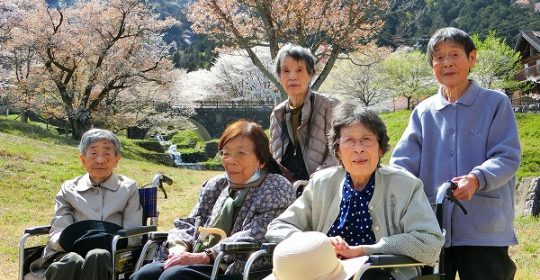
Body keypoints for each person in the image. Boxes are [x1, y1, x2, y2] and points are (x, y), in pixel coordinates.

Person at [390, 27, 521, 280]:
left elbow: (507, 156)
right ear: (432, 66)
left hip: (483, 227)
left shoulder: (495, 103)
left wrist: (477, 178)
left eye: (454, 54)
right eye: (438, 57)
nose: (446, 62)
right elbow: (403, 164)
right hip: (431, 227)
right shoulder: (423, 112)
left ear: (472, 58)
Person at [266, 102, 444, 280]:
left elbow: (430, 243)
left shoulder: (405, 185)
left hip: (380, 274)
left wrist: (365, 250)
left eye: (367, 139)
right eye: (349, 141)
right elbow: (278, 227)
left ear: (380, 148)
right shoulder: (322, 183)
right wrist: (316, 245)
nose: (358, 148)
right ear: (337, 150)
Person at [130, 120, 296, 280]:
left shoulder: (276, 186)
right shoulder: (217, 185)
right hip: (197, 255)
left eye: (241, 153)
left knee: (175, 277)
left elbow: (258, 233)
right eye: (226, 153)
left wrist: (206, 256)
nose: (230, 160)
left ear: (260, 160)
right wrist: (179, 248)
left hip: (236, 266)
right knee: (144, 275)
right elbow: (190, 222)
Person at [27, 129, 142, 280]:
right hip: (69, 251)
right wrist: (69, 241)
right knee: (71, 260)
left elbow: (134, 235)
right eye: (93, 153)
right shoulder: (69, 189)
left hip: (113, 255)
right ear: (83, 160)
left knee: (97, 255)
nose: (100, 160)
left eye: (107, 153)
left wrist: (106, 242)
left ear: (117, 160)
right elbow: (59, 230)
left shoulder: (128, 188)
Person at [270, 43, 338, 181]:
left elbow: (339, 151)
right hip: (286, 188)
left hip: (322, 184)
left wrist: (316, 179)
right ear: (279, 76)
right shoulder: (277, 113)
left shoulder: (329, 106)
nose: (292, 76)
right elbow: (274, 156)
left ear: (310, 74)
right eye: (286, 71)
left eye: (299, 70)